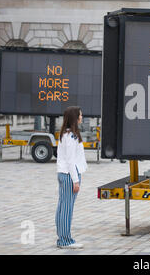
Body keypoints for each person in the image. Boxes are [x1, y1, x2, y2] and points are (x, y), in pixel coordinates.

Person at [55, 106, 87, 249]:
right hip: (70, 175)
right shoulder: (71, 136)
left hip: (63, 174)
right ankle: (65, 240)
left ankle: (62, 238)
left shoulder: (65, 134)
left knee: (62, 207)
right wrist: (76, 180)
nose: (82, 117)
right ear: (75, 117)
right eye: (80, 115)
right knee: (67, 209)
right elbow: (71, 160)